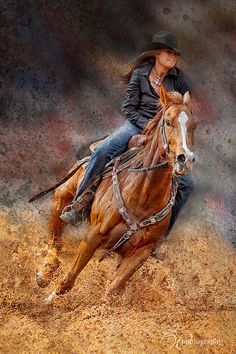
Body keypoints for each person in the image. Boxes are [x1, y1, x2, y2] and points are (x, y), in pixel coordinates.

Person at [60, 31, 194, 239]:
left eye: (176, 54)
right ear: (156, 53)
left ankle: (159, 236)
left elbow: (184, 112)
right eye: (169, 52)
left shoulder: (179, 79)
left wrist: (170, 131)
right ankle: (79, 204)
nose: (173, 56)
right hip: (135, 125)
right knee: (104, 151)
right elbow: (129, 108)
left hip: (167, 132)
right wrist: (147, 128)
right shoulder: (140, 74)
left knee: (187, 185)